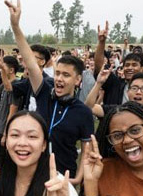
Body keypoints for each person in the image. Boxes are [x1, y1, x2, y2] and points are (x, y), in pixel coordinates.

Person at [7, 0, 93, 185]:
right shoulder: (44, 91)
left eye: (66, 75)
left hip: (64, 178)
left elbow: (86, 148)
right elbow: (30, 61)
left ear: (78, 80)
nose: (60, 79)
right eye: (58, 73)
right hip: (34, 174)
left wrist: (77, 178)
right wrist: (15, 26)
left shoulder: (83, 112)